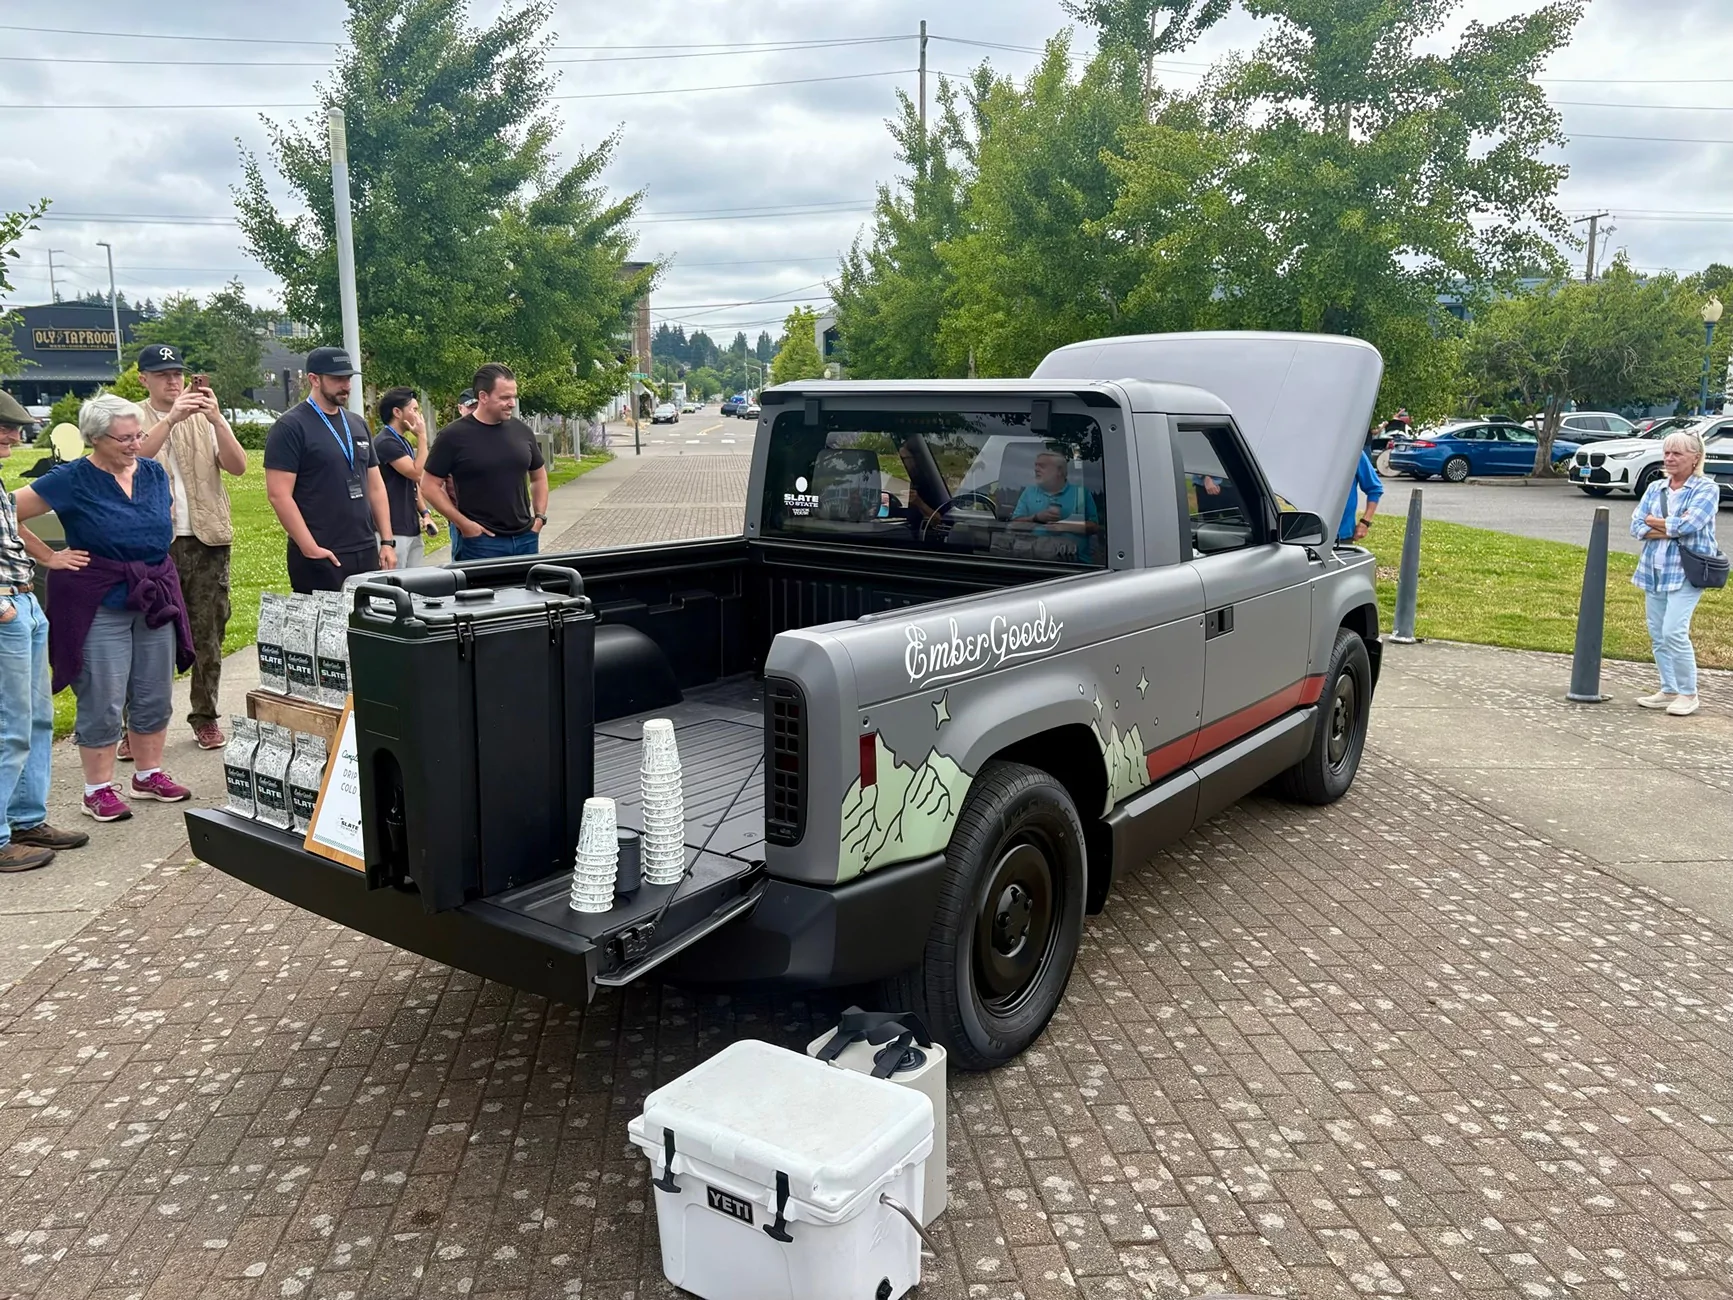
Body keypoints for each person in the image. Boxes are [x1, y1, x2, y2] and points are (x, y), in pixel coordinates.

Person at [11, 395, 195, 822]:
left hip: (152, 593)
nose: (135, 444)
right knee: (104, 694)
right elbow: (8, 511)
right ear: (94, 439)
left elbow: (160, 514)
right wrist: (48, 555)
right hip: (99, 599)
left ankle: (148, 775)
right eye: (124, 438)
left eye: (138, 436)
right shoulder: (71, 479)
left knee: (154, 691)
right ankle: (96, 789)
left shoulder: (150, 471)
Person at [133, 344, 247, 752]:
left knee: (208, 633)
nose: (174, 380)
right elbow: (132, 460)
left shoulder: (204, 418)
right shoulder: (133, 418)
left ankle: (205, 716)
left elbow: (237, 466)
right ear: (143, 378)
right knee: (148, 634)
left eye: (178, 373)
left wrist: (217, 420)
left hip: (206, 540)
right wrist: (171, 419)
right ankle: (140, 723)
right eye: (162, 374)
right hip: (152, 545)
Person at [0, 393, 89, 868]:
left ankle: (26, 819)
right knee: (8, 724)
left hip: (22, 602)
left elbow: (9, 523)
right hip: (5, 611)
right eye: (7, 428)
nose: (16, 436)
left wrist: (48, 558)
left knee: (34, 720)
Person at [263, 346, 398, 592]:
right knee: (322, 630)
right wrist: (308, 547)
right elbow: (278, 494)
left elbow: (376, 486)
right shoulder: (290, 427)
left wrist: (387, 541)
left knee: (366, 628)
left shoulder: (356, 423)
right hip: (321, 552)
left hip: (365, 548)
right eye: (337, 378)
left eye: (348, 378)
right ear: (314, 379)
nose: (345, 385)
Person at [1630, 429, 1720, 717]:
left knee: (1673, 631)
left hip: (1686, 571)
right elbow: (1636, 527)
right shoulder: (1655, 488)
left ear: (1695, 458)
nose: (1669, 458)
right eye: (1666, 452)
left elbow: (1689, 525)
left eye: (1677, 453)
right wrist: (1665, 525)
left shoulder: (1706, 489)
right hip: (1654, 570)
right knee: (1657, 633)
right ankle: (1668, 688)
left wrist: (1654, 523)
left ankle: (1687, 693)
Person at [422, 364, 549, 560]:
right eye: (505, 398)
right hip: (481, 543)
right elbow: (429, 486)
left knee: (527, 592)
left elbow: (539, 477)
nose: (512, 403)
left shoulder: (521, 431)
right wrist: (464, 524)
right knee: (484, 592)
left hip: (526, 538)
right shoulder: (453, 436)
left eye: (513, 397)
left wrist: (539, 518)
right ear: (483, 397)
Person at [374, 387, 436, 568]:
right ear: (397, 412)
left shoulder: (402, 441)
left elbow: (414, 482)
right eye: (414, 410)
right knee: (396, 585)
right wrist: (423, 436)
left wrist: (425, 513)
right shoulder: (386, 442)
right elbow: (417, 472)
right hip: (394, 529)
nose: (418, 416)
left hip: (411, 527)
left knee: (413, 586)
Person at [1010, 446, 1100, 563]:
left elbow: (1094, 527)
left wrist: (1064, 526)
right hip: (1032, 563)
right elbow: (1013, 526)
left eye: (1042, 466)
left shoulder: (1080, 493)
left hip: (1076, 566)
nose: (1036, 469)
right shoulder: (1029, 492)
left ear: (1059, 471)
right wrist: (1036, 518)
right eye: (1036, 465)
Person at [1338, 442, 1383, 544]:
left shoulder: (1353, 452)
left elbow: (1375, 489)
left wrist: (1365, 522)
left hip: (1342, 535)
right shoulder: (1308, 452)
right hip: (1306, 535)